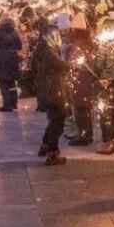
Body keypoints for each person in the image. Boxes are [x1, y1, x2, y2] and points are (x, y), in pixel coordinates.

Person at [33, 20, 69, 166]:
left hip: (47, 91)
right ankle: (52, 154)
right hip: (53, 91)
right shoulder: (49, 52)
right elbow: (63, 66)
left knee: (54, 119)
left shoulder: (42, 49)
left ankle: (45, 145)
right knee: (57, 122)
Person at [0, 16, 22, 112]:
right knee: (12, 82)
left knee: (3, 82)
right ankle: (14, 103)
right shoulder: (15, 32)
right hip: (13, 58)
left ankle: (7, 105)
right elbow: (20, 46)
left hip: (2, 58)